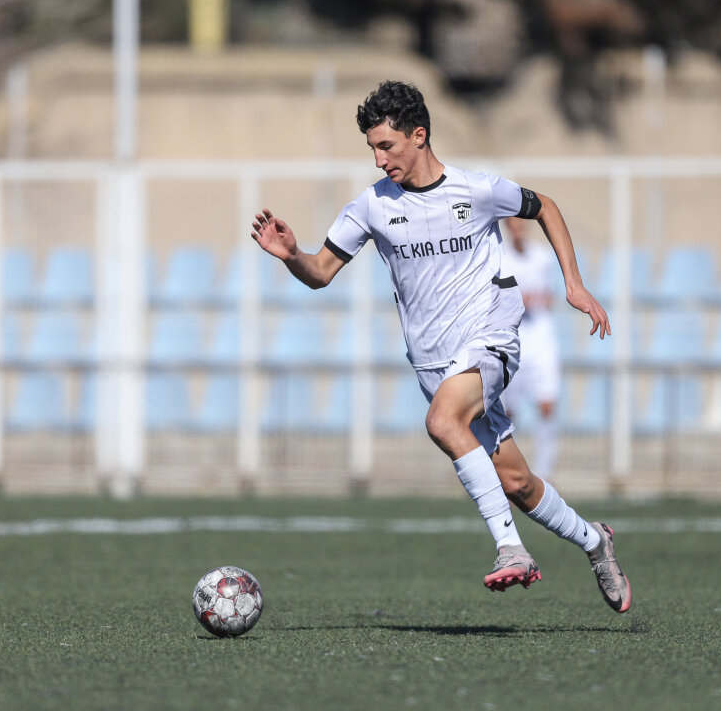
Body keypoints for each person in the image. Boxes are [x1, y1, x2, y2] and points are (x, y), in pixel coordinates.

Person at [249, 80, 631, 613]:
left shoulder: (476, 189)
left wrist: (574, 283)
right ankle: (595, 541)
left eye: (386, 146)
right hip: (434, 363)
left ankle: (511, 549)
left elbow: (544, 205)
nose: (379, 159)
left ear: (419, 135)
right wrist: (292, 254)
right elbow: (321, 272)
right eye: (372, 149)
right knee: (516, 482)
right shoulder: (370, 207)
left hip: (491, 336)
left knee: (442, 422)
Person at [500, 216, 563, 481]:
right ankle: (508, 472)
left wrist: (538, 299)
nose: (518, 231)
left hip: (542, 340)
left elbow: (549, 296)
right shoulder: (501, 258)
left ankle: (544, 473)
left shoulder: (542, 257)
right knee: (507, 411)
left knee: (547, 405)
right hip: (513, 340)